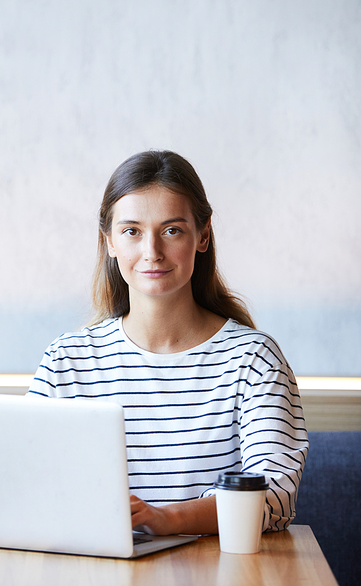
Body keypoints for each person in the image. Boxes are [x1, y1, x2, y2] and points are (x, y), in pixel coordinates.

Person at [30, 149, 308, 536]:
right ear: (109, 241)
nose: (152, 252)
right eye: (132, 231)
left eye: (172, 230)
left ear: (203, 235)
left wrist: (166, 519)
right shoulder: (67, 361)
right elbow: (27, 484)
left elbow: (275, 497)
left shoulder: (254, 359)